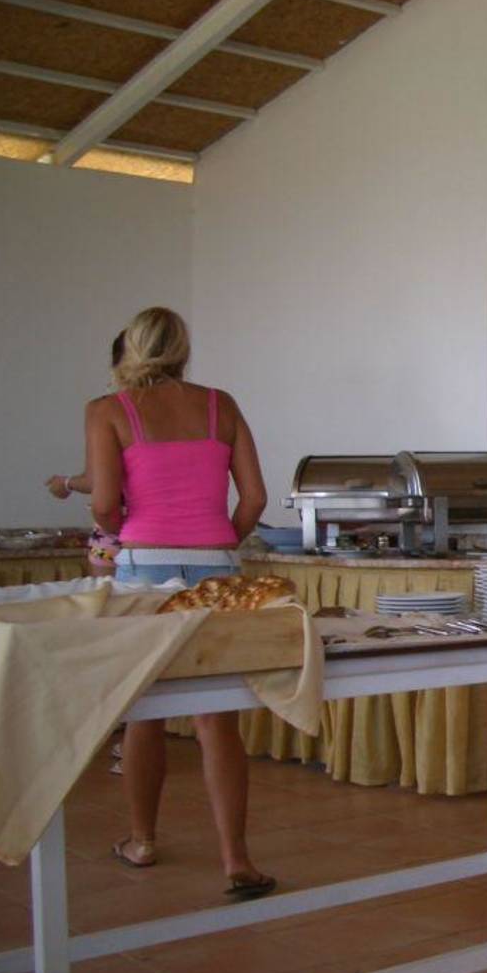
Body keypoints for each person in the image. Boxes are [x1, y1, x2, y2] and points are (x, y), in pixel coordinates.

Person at [86, 306, 275, 898]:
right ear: (183, 350)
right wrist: (220, 540)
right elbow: (255, 497)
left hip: (144, 566)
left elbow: (103, 504)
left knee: (145, 710)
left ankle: (142, 841)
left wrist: (124, 531)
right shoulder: (221, 405)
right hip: (217, 565)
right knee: (218, 717)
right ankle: (236, 859)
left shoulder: (107, 411)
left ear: (132, 350)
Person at [47, 334, 127, 577]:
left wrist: (66, 483)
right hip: (166, 535)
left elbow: (94, 480)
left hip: (113, 531)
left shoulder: (103, 408)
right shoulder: (173, 410)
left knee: (104, 599)